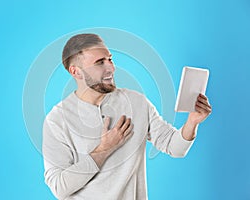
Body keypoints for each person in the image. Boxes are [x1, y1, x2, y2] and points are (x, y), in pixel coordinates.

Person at [42, 33, 212, 200]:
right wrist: (103, 149)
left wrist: (192, 122)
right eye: (100, 63)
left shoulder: (137, 102)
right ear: (76, 72)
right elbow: (59, 187)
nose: (111, 68)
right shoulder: (57, 120)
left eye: (110, 59)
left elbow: (175, 148)